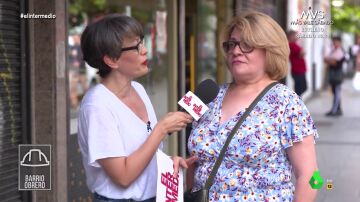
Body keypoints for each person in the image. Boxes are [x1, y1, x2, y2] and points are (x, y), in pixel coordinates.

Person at [186, 11, 319, 201]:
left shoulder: (287, 102)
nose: (236, 51)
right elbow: (196, 162)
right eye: (231, 44)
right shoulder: (210, 96)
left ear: (269, 50)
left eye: (246, 45)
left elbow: (313, 177)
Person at [78, 14, 196, 202]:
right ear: (111, 60)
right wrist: (162, 128)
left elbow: (143, 151)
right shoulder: (97, 105)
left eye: (142, 42)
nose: (145, 51)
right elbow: (123, 176)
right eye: (136, 46)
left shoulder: (138, 89)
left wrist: (168, 163)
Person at [324, 36, 345, 116]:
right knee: (335, 92)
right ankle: (338, 109)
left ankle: (334, 110)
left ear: (339, 42)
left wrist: (330, 61)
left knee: (337, 92)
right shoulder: (333, 51)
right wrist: (330, 61)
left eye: (336, 42)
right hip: (333, 74)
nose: (334, 43)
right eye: (334, 42)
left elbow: (334, 62)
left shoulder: (340, 51)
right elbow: (326, 60)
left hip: (337, 75)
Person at [287, 30, 308, 97]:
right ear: (290, 36)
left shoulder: (295, 44)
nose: (296, 37)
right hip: (297, 70)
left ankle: (298, 103)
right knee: (299, 90)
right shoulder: (291, 45)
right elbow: (301, 54)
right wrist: (302, 46)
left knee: (303, 88)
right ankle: (297, 104)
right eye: (295, 35)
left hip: (300, 70)